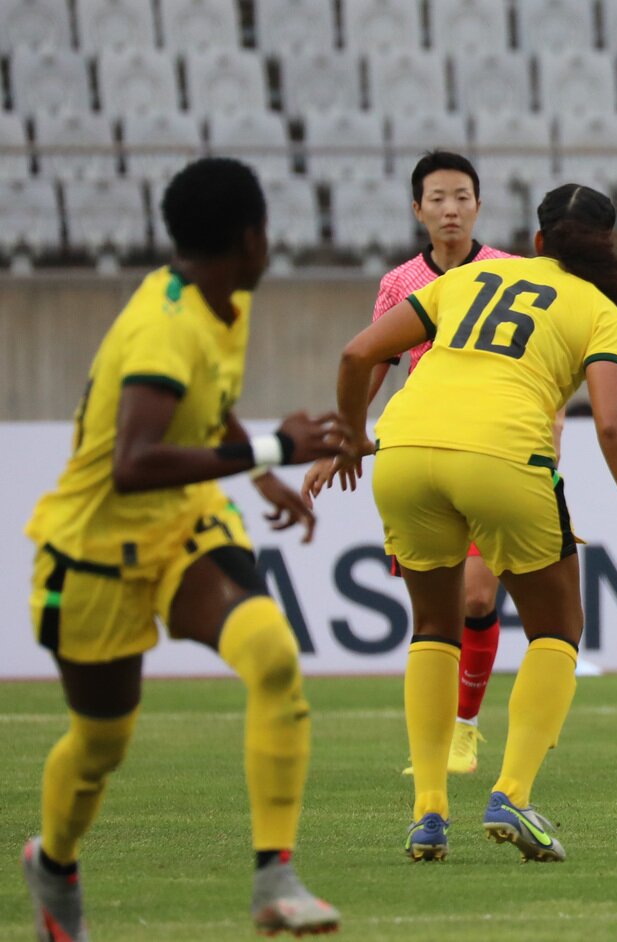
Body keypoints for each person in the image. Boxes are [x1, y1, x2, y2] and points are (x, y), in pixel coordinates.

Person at [20, 158, 345, 938]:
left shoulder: (215, 298)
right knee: (101, 745)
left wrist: (260, 471)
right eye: (266, 231)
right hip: (92, 554)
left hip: (185, 526)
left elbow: (209, 406)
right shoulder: (165, 325)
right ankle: (53, 863)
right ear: (249, 236)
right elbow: (131, 464)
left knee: (271, 654)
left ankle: (276, 876)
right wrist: (272, 446)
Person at [334, 183, 617, 862]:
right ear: (608, 248)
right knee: (558, 629)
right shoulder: (599, 309)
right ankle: (512, 795)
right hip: (503, 454)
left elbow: (356, 355)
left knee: (433, 629)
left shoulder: (472, 276)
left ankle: (428, 813)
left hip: (403, 451)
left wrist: (350, 436)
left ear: (539, 238)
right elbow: (613, 426)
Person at [303, 150, 527, 778]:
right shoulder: (401, 283)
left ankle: (464, 729)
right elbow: (374, 360)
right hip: (422, 451)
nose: (450, 208)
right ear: (417, 210)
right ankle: (435, 743)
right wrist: (341, 438)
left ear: (479, 205)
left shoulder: (511, 273)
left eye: (461, 196)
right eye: (437, 198)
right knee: (438, 610)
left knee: (479, 598)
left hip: (491, 449)